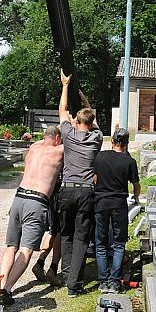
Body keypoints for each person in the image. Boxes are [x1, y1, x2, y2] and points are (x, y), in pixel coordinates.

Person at [0, 126, 64, 303]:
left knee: (11, 246)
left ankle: (0, 285)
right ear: (57, 138)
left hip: (19, 197)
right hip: (37, 201)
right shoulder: (58, 151)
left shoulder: (34, 147)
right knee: (26, 249)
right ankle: (7, 289)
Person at [58, 70, 103, 297]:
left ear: (76, 122)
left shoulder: (68, 134)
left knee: (66, 233)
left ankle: (67, 274)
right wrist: (86, 101)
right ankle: (74, 284)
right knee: (81, 236)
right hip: (86, 191)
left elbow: (62, 111)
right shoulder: (96, 138)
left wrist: (65, 85)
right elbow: (92, 121)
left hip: (66, 189)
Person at [93, 128, 140, 293]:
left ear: (112, 141)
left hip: (101, 202)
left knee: (101, 243)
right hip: (119, 203)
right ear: (126, 144)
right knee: (119, 244)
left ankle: (103, 281)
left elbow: (94, 179)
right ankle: (114, 281)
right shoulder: (129, 162)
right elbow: (136, 185)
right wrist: (136, 198)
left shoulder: (100, 157)